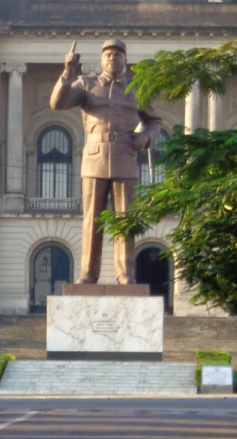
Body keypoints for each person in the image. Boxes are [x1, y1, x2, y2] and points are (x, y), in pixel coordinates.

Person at [50, 40, 162, 284]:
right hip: (94, 156)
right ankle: (89, 274)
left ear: (125, 60)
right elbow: (57, 103)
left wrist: (146, 136)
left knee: (125, 219)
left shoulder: (137, 88)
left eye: (118, 55)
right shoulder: (86, 85)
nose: (113, 58)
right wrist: (67, 73)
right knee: (92, 219)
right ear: (101, 60)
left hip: (126, 154)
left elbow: (155, 120)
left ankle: (125, 273)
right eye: (109, 54)